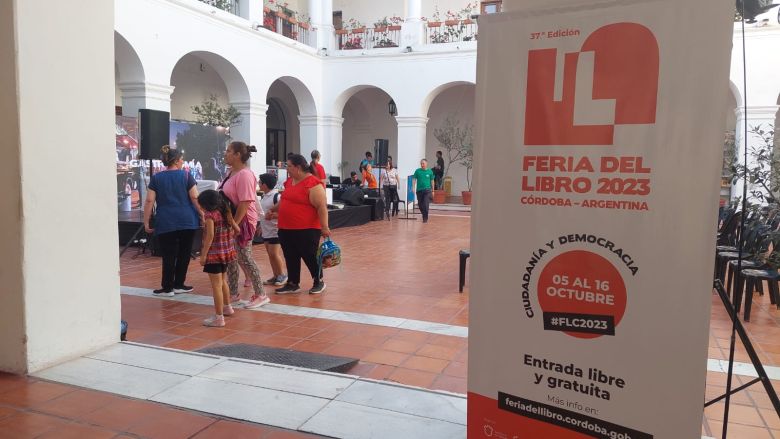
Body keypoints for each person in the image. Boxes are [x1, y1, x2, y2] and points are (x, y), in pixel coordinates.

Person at [143, 145, 201, 296]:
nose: (183, 161)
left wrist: (146, 221)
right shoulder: (186, 176)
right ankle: (179, 284)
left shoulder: (156, 178)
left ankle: (167, 287)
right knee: (184, 252)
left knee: (168, 254)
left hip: (165, 220)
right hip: (187, 220)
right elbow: (194, 197)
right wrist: (202, 213)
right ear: (175, 161)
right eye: (181, 159)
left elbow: (149, 200)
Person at [270, 153, 331, 295]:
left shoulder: (313, 183)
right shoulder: (289, 182)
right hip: (286, 227)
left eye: (289, 166)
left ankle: (318, 281)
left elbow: (322, 207)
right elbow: (285, 199)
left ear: (298, 167)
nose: (287, 169)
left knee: (309, 255)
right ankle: (292, 283)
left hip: (307, 229)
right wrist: (273, 209)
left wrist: (325, 227)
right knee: (290, 256)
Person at [220, 141, 270, 310]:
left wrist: (235, 224)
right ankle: (233, 292)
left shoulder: (245, 175)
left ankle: (261, 294)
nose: (225, 154)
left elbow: (245, 202)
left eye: (228, 151)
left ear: (237, 155)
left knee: (245, 257)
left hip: (243, 221)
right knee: (232, 258)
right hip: (233, 220)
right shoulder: (232, 172)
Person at [197, 190, 239, 327]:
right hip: (226, 253)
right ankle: (227, 307)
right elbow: (237, 229)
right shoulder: (225, 212)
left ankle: (219, 318)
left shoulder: (210, 216)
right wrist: (228, 237)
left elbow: (209, 236)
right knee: (222, 281)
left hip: (214, 254)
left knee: (216, 285)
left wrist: (203, 255)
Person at [258, 173, 288, 286]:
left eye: (260, 182)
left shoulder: (276, 197)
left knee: (274, 253)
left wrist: (274, 217)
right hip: (266, 231)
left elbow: (285, 213)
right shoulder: (264, 196)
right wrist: (261, 225)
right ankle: (276, 275)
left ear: (265, 184)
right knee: (270, 254)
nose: (258, 184)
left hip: (275, 231)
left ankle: (282, 275)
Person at [413, 158, 435, 223]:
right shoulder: (417, 171)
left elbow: (432, 181)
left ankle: (425, 218)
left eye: (423, 163)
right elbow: (414, 179)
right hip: (419, 190)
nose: (422, 165)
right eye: (421, 163)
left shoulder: (430, 171)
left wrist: (433, 190)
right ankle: (424, 214)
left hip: (427, 190)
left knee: (425, 204)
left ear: (426, 164)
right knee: (420, 205)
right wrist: (413, 187)